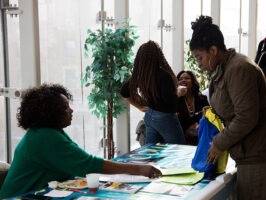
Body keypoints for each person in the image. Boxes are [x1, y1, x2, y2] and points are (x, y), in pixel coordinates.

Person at [190, 15, 266, 200]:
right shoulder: (226, 67)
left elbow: (246, 116)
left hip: (263, 151)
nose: (199, 64)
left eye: (199, 58)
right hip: (254, 151)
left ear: (213, 50)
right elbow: (234, 104)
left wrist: (219, 143)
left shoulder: (238, 68)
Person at [0, 83, 162, 199]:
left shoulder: (51, 132)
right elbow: (87, 164)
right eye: (65, 107)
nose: (71, 110)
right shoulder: (44, 137)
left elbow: (79, 161)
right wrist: (139, 169)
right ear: (50, 112)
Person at [120, 40, 186, 145]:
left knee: (152, 154)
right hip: (166, 118)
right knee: (178, 151)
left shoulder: (141, 76)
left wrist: (140, 107)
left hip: (149, 117)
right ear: (158, 56)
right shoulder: (164, 76)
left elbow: (124, 91)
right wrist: (179, 91)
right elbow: (170, 102)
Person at [176, 70, 209, 145]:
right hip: (182, 136)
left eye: (187, 78)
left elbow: (208, 114)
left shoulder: (202, 98)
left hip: (200, 134)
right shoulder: (176, 99)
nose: (183, 80)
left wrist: (198, 123)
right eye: (180, 79)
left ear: (193, 82)